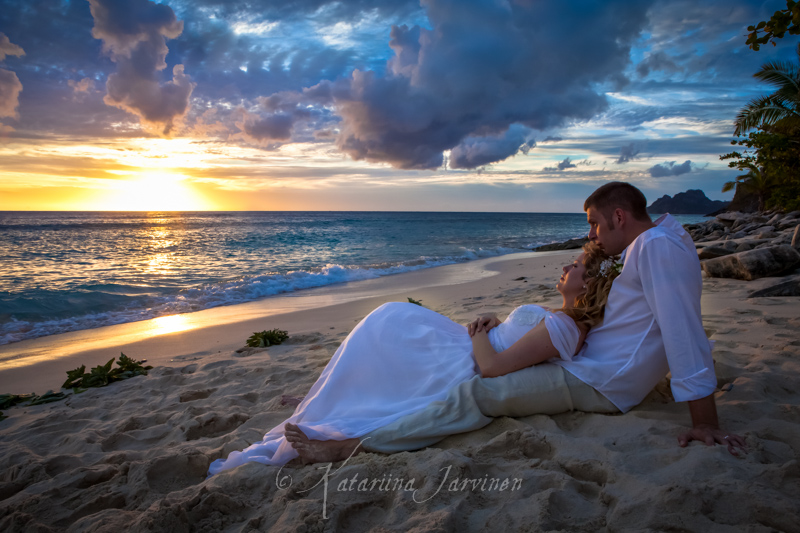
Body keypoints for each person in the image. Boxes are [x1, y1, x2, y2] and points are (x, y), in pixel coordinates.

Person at [332, 181, 745, 459]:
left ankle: (354, 445)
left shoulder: (654, 247)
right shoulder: (665, 239)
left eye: (596, 225)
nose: (593, 236)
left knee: (478, 394)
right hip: (595, 365)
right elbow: (630, 317)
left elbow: (682, 328)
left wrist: (705, 422)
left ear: (619, 217)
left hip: (600, 381)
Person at [207, 243, 619, 475]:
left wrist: (479, 335)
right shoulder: (560, 316)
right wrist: (495, 321)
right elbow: (524, 337)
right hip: (468, 342)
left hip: (467, 357)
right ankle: (333, 389)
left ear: (593, 283)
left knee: (390, 324)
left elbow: (492, 369)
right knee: (388, 323)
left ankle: (336, 402)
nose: (567, 265)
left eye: (578, 266)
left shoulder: (569, 327)